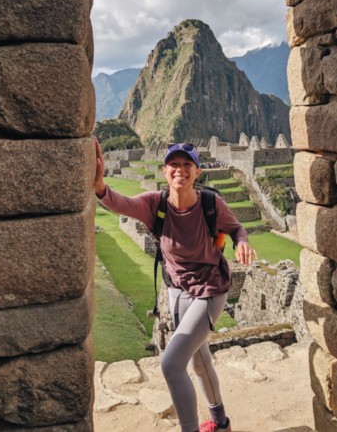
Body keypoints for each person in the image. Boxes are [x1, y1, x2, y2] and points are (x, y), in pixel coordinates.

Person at [94, 140, 257, 432]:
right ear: (165, 170)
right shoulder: (154, 204)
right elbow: (122, 203)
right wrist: (100, 187)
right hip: (177, 288)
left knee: (171, 363)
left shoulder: (210, 203)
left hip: (210, 287)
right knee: (197, 357)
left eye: (186, 165)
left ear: (197, 172)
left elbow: (236, 228)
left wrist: (242, 242)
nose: (180, 170)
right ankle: (221, 423)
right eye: (174, 164)